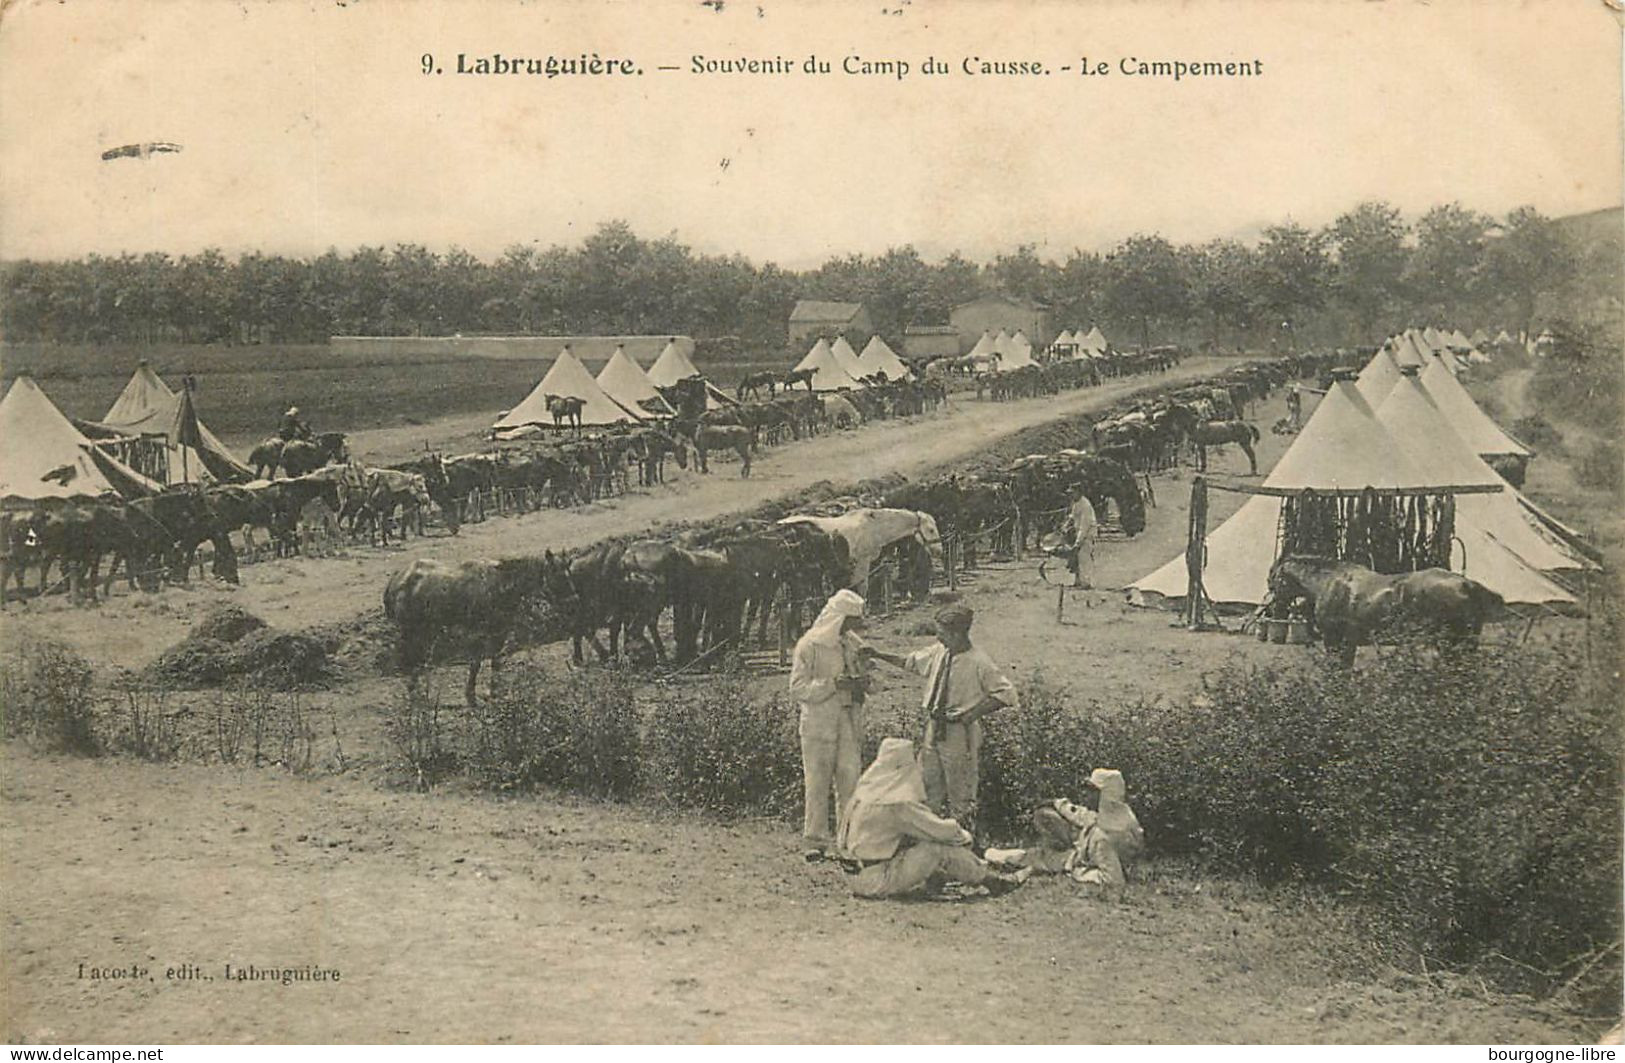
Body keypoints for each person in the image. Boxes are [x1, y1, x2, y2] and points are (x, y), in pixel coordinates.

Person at [865, 603, 1017, 843]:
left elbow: (1005, 694)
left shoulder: (979, 662)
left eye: (943, 633)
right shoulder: (939, 652)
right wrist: (878, 654)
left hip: (960, 733)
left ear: (958, 633)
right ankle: (929, 841)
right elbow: (911, 662)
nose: (938, 637)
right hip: (933, 729)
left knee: (962, 791)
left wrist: (971, 714)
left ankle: (966, 845)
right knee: (927, 786)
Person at [836, 737, 1026, 899]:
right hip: (876, 880)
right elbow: (941, 831)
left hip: (853, 876)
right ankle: (992, 880)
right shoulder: (897, 804)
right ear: (903, 767)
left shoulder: (863, 796)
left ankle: (940, 877)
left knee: (919, 842)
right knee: (936, 849)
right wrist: (964, 835)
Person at [788, 589, 871, 860]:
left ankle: (848, 839)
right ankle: (815, 840)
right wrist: (832, 685)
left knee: (850, 779)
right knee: (817, 781)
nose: (852, 628)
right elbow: (798, 688)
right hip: (818, 723)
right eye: (849, 622)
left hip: (847, 719)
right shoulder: (809, 646)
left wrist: (863, 683)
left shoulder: (851, 643)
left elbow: (871, 676)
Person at [1063, 492, 1099, 589]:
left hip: (1087, 534)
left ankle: (1086, 583)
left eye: (1073, 493)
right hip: (1078, 532)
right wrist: (1066, 525)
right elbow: (1073, 516)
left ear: (1078, 492)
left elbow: (1084, 526)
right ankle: (1078, 581)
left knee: (1084, 558)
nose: (1071, 495)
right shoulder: (1076, 503)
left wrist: (1078, 542)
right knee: (1077, 559)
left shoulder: (1085, 505)